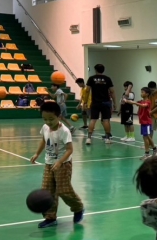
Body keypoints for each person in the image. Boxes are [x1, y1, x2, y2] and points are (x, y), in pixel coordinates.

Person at [29, 101, 85, 229]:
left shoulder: (64, 131)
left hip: (63, 164)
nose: (48, 122)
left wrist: (59, 162)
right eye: (45, 119)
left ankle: (78, 207)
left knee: (63, 190)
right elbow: (44, 140)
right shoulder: (45, 127)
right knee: (47, 191)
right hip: (49, 163)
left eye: (51, 119)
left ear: (59, 117)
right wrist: (37, 153)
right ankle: (50, 217)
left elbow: (70, 150)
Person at [86, 64, 115, 145]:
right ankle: (108, 139)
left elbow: (87, 91)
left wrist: (85, 102)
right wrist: (115, 103)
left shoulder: (91, 78)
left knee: (93, 120)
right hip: (105, 103)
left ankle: (89, 138)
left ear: (95, 70)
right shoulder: (107, 79)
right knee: (106, 120)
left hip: (95, 103)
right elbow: (112, 91)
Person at [132, 86, 157, 159]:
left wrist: (134, 102)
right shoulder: (141, 101)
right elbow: (136, 103)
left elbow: (143, 106)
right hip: (143, 122)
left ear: (147, 94)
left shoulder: (148, 102)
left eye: (142, 92)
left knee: (146, 137)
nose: (141, 93)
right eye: (141, 92)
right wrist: (128, 101)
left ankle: (147, 153)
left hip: (147, 122)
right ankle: (154, 149)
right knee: (145, 137)